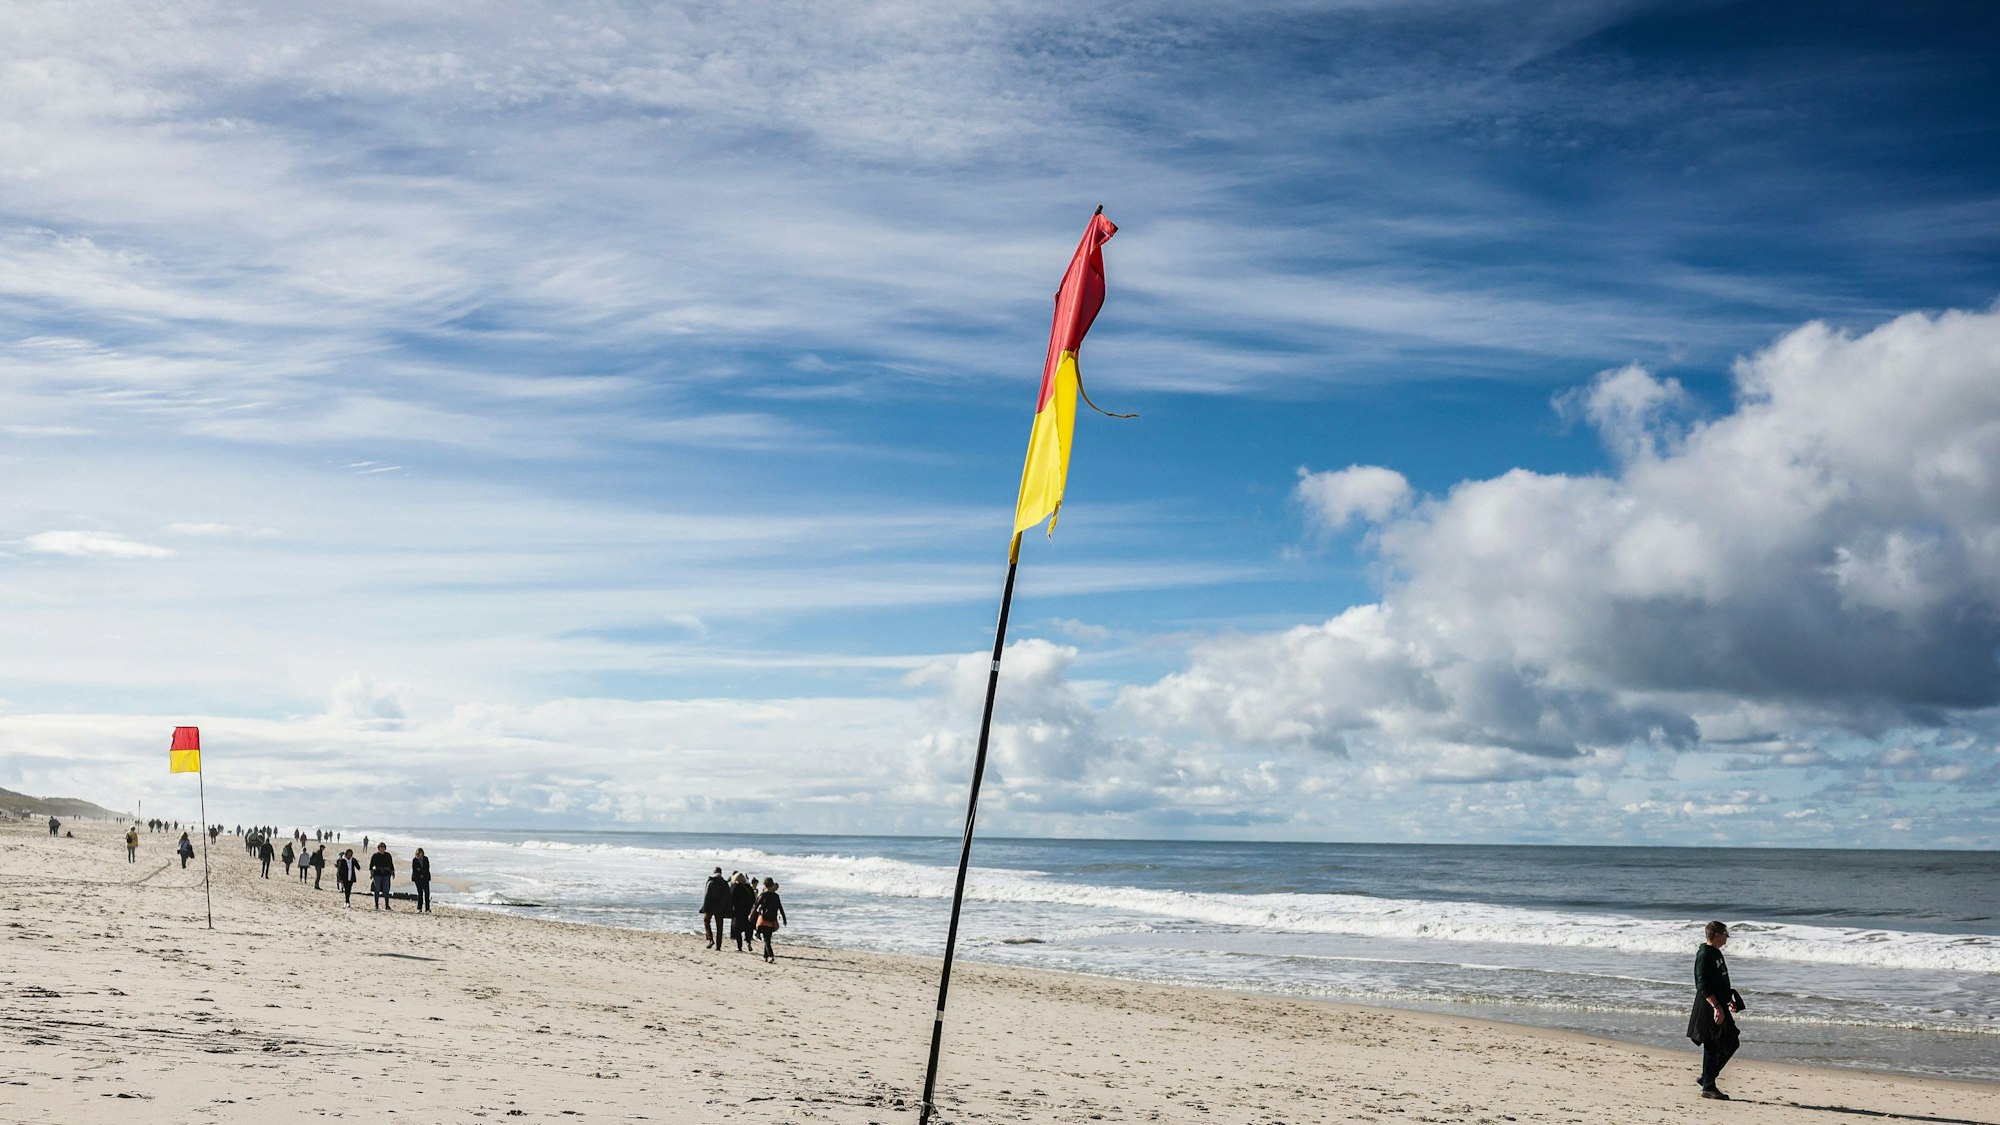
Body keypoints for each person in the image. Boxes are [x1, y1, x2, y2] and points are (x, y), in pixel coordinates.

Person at [1686, 920, 1745, 1100]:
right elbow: (1702, 984)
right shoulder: (1704, 954)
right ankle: (1708, 1086)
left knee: (1732, 1040)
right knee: (1712, 1044)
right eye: (1725, 934)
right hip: (1709, 1006)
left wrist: (1728, 1000)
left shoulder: (1716, 953)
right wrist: (1716, 1007)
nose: (1727, 937)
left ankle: (1707, 1078)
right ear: (1717, 934)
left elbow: (1720, 980)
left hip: (1719, 1004)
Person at [752, 878, 787, 963]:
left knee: (766, 939)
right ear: (772, 885)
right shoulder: (776, 896)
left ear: (764, 885)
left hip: (764, 919)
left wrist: (751, 915)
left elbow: (756, 905)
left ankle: (770, 955)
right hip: (773, 919)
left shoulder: (763, 895)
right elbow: (780, 907)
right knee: (767, 938)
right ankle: (765, 956)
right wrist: (784, 918)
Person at [700, 867, 731, 950]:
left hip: (710, 906)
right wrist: (726, 909)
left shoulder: (711, 882)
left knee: (706, 921)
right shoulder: (724, 883)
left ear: (714, 872)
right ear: (721, 873)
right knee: (719, 927)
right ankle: (718, 946)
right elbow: (727, 898)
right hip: (720, 907)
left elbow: (707, 896)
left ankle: (710, 939)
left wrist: (704, 908)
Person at [729, 872, 756, 952]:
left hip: (738, 911)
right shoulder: (749, 887)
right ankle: (748, 942)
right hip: (748, 910)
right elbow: (754, 899)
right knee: (748, 927)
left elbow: (731, 899)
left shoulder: (735, 887)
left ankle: (739, 947)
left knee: (737, 929)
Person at [368, 843, 395, 910]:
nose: (382, 848)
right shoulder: (375, 855)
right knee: (377, 890)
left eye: (383, 847)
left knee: (386, 890)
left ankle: (387, 905)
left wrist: (393, 872)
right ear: (378, 848)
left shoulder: (388, 855)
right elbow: (371, 865)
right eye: (381, 847)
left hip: (386, 874)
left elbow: (391, 865)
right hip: (377, 874)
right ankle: (376, 905)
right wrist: (371, 874)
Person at [411, 848, 432, 913]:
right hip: (417, 878)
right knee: (420, 893)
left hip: (425, 877)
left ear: (422, 853)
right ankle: (419, 908)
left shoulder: (425, 859)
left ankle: (427, 908)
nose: (419, 854)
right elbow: (414, 869)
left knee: (427, 893)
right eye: (418, 853)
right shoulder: (414, 860)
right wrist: (419, 873)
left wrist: (422, 872)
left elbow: (427, 867)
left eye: (420, 853)